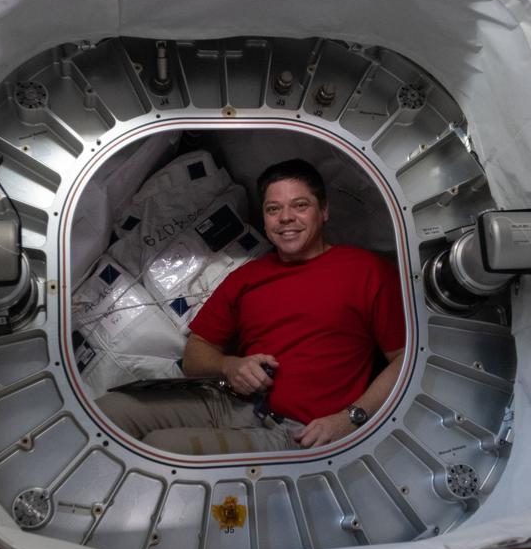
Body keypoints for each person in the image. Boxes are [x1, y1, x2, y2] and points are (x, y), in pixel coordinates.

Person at [96, 158, 405, 454]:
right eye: (273, 209)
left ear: (323, 211)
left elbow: (405, 359)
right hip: (229, 402)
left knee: (160, 447)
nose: (286, 218)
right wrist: (229, 366)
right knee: (108, 412)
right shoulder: (247, 277)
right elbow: (195, 354)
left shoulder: (367, 271)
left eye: (300, 205)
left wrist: (352, 417)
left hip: (298, 431)